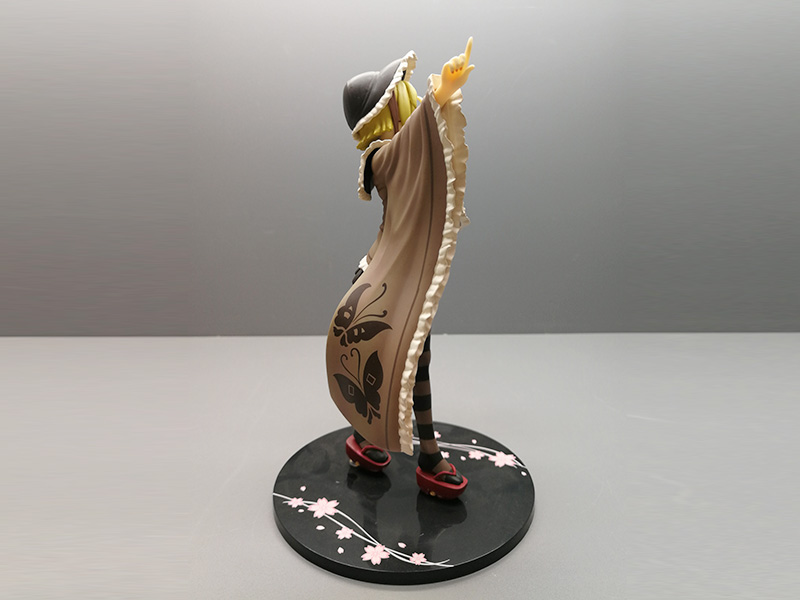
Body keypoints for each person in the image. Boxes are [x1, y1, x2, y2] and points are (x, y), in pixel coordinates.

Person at [326, 39, 474, 499]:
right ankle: (388, 444)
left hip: (398, 279)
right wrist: (438, 97)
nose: (404, 99)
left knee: (414, 363)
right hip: (379, 281)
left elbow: (419, 152)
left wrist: (439, 102)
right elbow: (405, 152)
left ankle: (420, 452)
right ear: (382, 112)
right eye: (398, 96)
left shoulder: (399, 149)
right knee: (387, 364)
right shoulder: (378, 157)